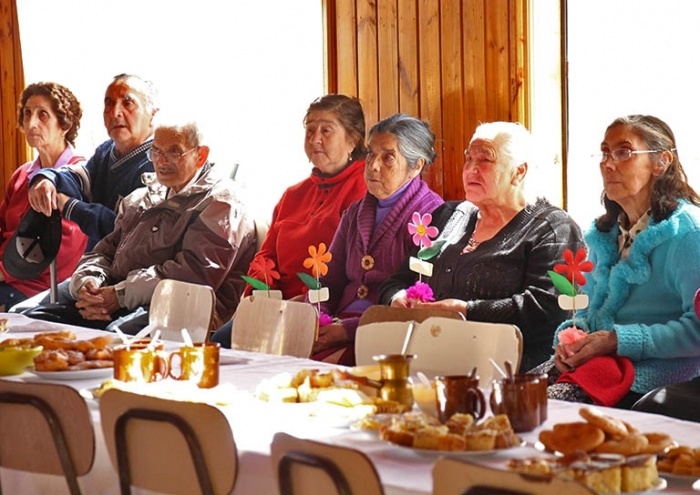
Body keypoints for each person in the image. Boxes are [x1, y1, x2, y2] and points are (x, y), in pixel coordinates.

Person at [379, 121, 585, 372]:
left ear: (519, 171)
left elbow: (547, 311)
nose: (470, 170)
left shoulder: (553, 228)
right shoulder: (447, 216)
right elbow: (395, 283)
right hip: (428, 359)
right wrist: (398, 298)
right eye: (468, 159)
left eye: (485, 160)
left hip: (510, 371)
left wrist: (466, 310)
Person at [23, 115, 257, 334]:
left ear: (200, 156)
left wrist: (120, 295)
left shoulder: (222, 202)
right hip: (117, 298)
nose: (162, 161)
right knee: (38, 322)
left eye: (174, 152)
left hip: (183, 310)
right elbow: (105, 251)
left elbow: (193, 275)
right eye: (156, 152)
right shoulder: (141, 197)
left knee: (115, 337)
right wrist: (90, 283)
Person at [542, 115, 700, 409]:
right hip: (598, 363)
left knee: (546, 410)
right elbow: (586, 312)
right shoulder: (603, 235)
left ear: (661, 162)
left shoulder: (688, 234)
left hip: (659, 374)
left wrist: (617, 340)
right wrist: (569, 342)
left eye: (623, 152)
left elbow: (697, 332)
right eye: (604, 153)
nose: (608, 163)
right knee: (514, 399)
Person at [310, 114, 444, 365]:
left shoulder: (431, 216)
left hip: (390, 339)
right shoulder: (355, 213)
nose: (373, 166)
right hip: (337, 325)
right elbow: (328, 280)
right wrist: (319, 318)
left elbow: (417, 306)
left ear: (416, 167)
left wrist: (347, 330)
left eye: (388, 157)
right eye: (370, 154)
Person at [244, 94, 368, 299]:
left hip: (325, 305)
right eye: (310, 130)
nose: (314, 138)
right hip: (277, 304)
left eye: (326, 131)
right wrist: (262, 291)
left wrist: (308, 301)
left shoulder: (364, 190)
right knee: (226, 332)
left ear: (353, 140)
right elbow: (267, 255)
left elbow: (354, 269)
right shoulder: (292, 195)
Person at [28, 73, 158, 249]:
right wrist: (48, 179)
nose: (115, 112)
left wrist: (68, 205)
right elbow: (81, 177)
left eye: (127, 103)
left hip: (132, 271)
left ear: (152, 114)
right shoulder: (106, 150)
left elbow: (125, 230)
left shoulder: (159, 163)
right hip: (95, 264)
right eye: (109, 103)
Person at [0, 82, 88, 310]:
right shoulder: (21, 174)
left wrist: (4, 271)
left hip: (40, 288)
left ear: (64, 123)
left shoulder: (78, 174)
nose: (31, 123)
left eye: (43, 115)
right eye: (27, 114)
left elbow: (64, 252)